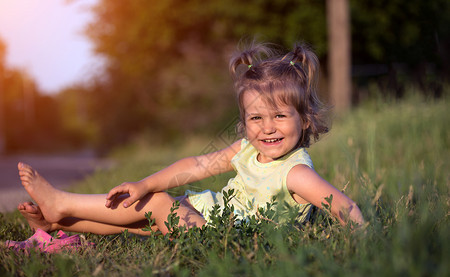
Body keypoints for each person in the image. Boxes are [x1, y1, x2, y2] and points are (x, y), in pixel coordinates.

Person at [16, 42, 364, 237]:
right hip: (215, 216)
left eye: (280, 116)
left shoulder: (295, 173)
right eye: (256, 118)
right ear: (244, 122)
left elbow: (345, 208)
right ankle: (58, 223)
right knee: (143, 219)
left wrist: (363, 240)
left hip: (235, 238)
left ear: (304, 121)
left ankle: (62, 203)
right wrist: (143, 182)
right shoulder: (246, 149)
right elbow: (197, 165)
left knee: (156, 207)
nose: (268, 128)